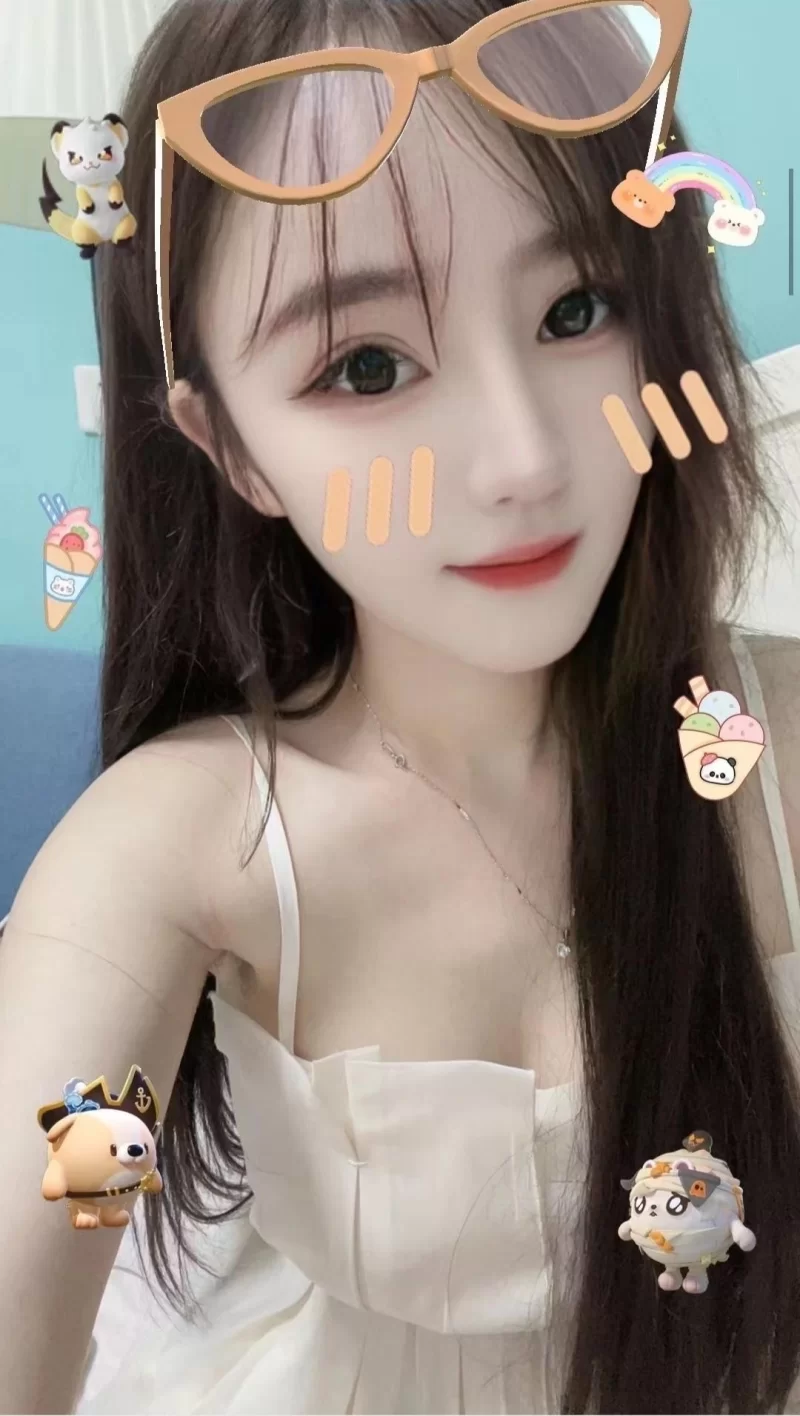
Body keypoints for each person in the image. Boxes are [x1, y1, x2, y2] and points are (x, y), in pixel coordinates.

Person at [2, 0, 800, 1411]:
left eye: (578, 308)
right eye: (366, 365)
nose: (521, 459)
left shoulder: (772, 743)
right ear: (230, 447)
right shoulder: (185, 845)